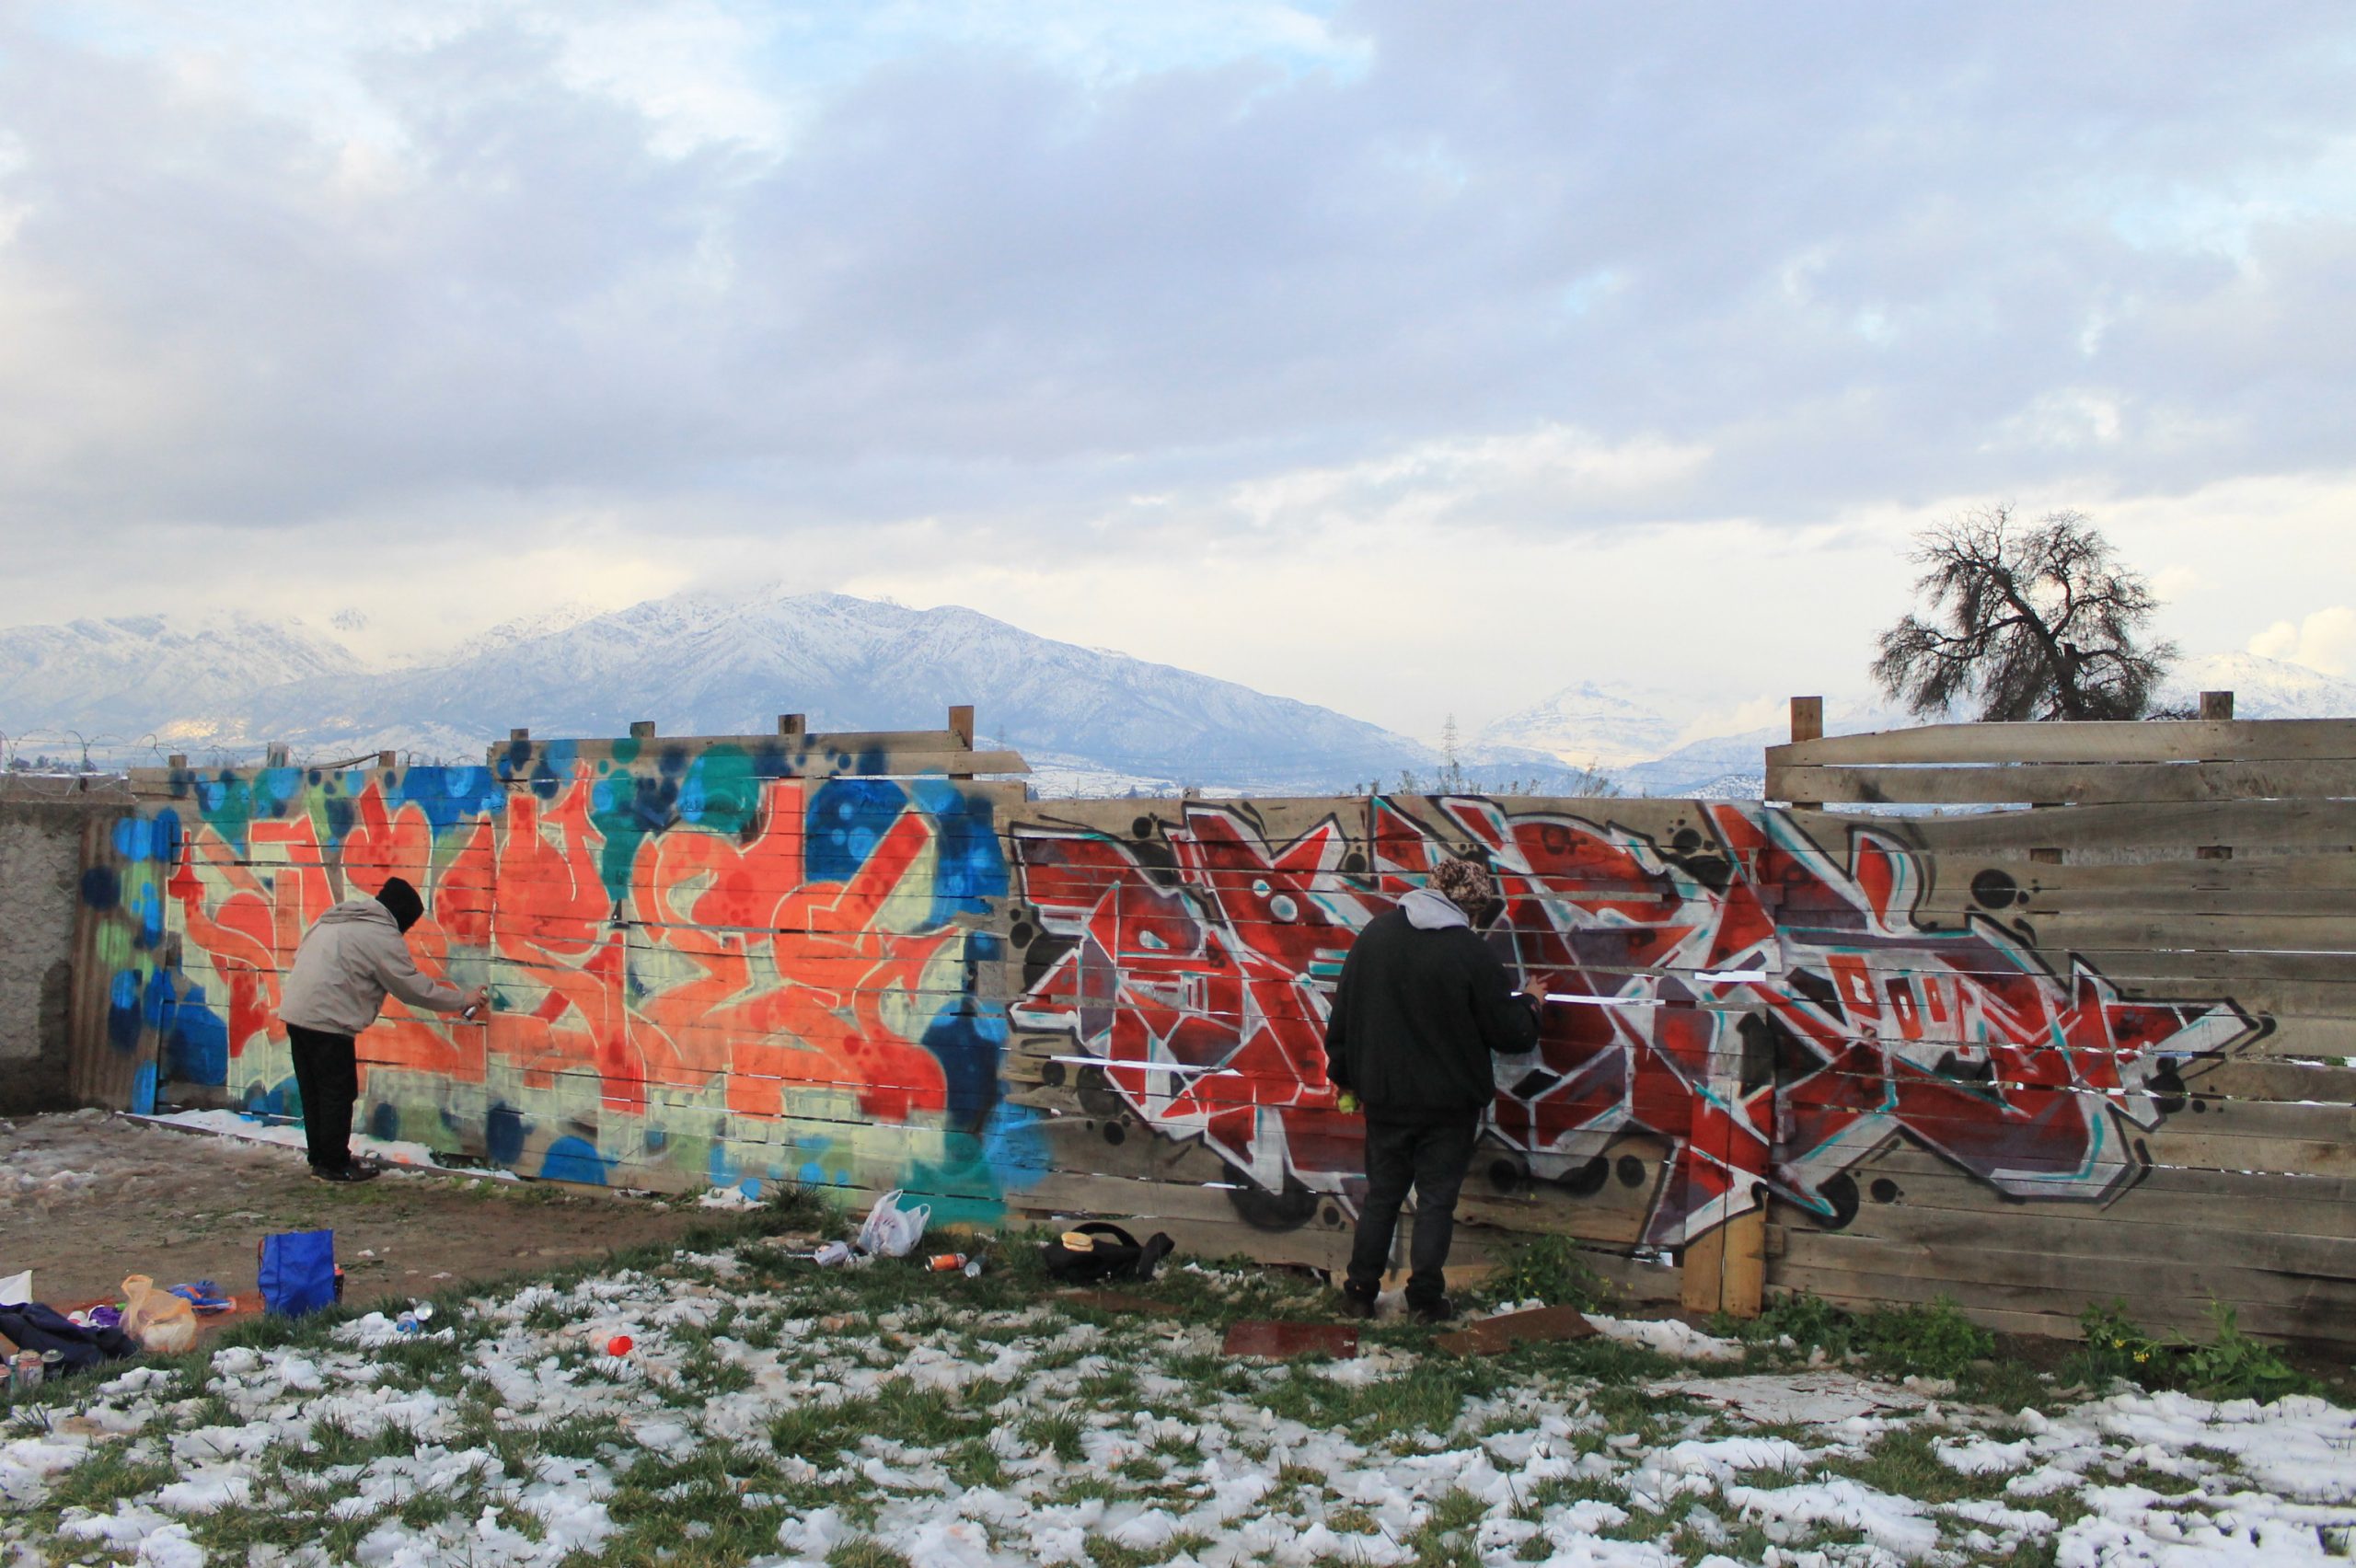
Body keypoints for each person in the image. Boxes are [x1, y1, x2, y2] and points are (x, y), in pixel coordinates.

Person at [1322, 856, 1543, 1322]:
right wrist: (1532, 1003)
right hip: (1448, 1105)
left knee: (1381, 1197)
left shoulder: (1375, 936)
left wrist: (1344, 1078)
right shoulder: (1470, 951)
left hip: (1384, 1097)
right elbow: (1511, 1034)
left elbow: (1343, 1015)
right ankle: (1424, 1301)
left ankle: (1359, 1293)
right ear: (1472, 907)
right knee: (1436, 1202)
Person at [279, 876, 487, 1182]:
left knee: (314, 1092)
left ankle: (321, 1158)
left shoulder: (336, 918)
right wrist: (462, 1000)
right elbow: (412, 988)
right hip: (328, 1020)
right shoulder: (380, 934)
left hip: (296, 1013)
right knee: (337, 1093)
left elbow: (302, 957)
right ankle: (335, 1165)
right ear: (401, 914)